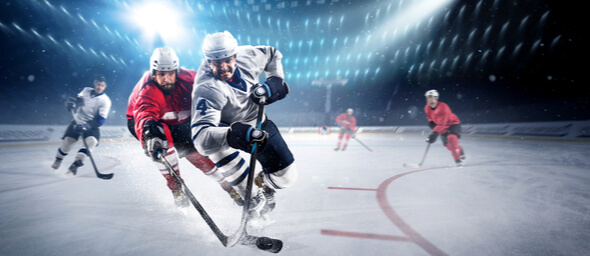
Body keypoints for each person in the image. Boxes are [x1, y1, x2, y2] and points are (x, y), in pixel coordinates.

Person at [191, 31, 298, 218]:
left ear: (235, 56)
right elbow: (201, 140)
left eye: (227, 60)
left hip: (256, 122)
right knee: (252, 199)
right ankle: (252, 203)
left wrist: (275, 79)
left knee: (287, 178)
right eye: (216, 63)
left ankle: (263, 184)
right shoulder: (207, 88)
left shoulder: (248, 55)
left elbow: (273, 54)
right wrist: (231, 135)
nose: (223, 67)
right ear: (209, 62)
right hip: (223, 132)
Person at [126, 47, 242, 209]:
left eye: (170, 74)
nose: (166, 79)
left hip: (180, 118)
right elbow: (145, 112)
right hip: (145, 122)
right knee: (162, 142)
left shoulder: (192, 80)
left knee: (199, 157)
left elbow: (218, 87)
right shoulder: (148, 90)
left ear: (177, 72)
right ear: (154, 74)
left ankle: (230, 188)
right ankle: (175, 186)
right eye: (161, 74)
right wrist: (150, 133)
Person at [51, 75, 112, 175]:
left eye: (102, 85)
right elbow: (78, 98)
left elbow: (101, 120)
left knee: (91, 142)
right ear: (94, 84)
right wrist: (72, 101)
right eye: (98, 84)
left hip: (91, 125)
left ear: (105, 87)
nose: (99, 87)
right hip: (77, 120)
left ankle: (75, 165)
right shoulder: (86, 90)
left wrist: (87, 126)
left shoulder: (106, 101)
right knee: (68, 143)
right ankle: (58, 159)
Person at [424, 89, 466, 167]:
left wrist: (434, 133)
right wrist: (432, 125)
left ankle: (457, 161)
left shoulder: (443, 107)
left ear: (436, 98)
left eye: (430, 97)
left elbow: (442, 124)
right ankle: (460, 150)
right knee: (449, 146)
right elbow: (430, 118)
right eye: (427, 97)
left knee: (451, 139)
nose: (428, 99)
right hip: (441, 127)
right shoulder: (427, 108)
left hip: (452, 124)